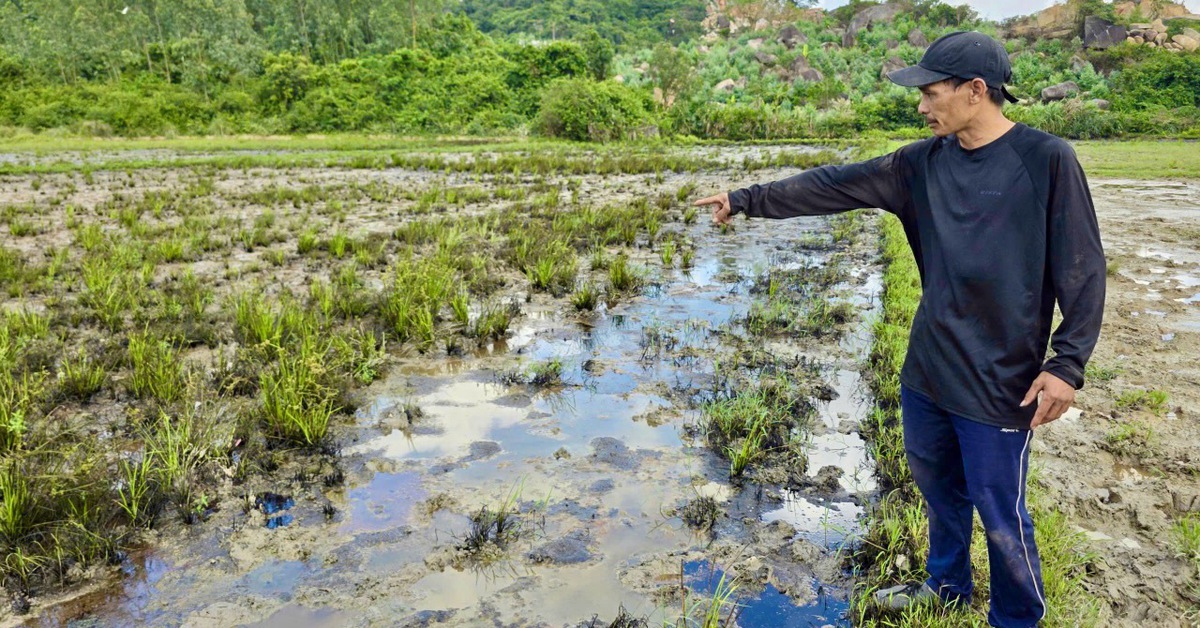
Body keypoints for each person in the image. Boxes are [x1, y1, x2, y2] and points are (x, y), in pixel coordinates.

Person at [693, 31, 1106, 628]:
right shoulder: (919, 164)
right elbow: (835, 184)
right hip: (929, 369)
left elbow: (1082, 268)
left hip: (1002, 377)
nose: (921, 105)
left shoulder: (1045, 160)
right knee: (939, 491)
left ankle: (1017, 617)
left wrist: (1066, 364)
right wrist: (746, 198)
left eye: (931, 92)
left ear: (976, 91)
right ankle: (946, 589)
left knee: (999, 509)